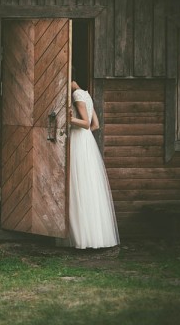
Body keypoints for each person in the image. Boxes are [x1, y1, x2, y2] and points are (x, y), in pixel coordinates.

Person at [62, 80, 120, 249]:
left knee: (77, 183)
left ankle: (81, 238)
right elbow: (96, 125)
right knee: (87, 184)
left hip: (79, 140)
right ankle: (93, 236)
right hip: (87, 142)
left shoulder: (76, 95)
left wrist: (68, 119)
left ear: (72, 80)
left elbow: (86, 123)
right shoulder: (86, 95)